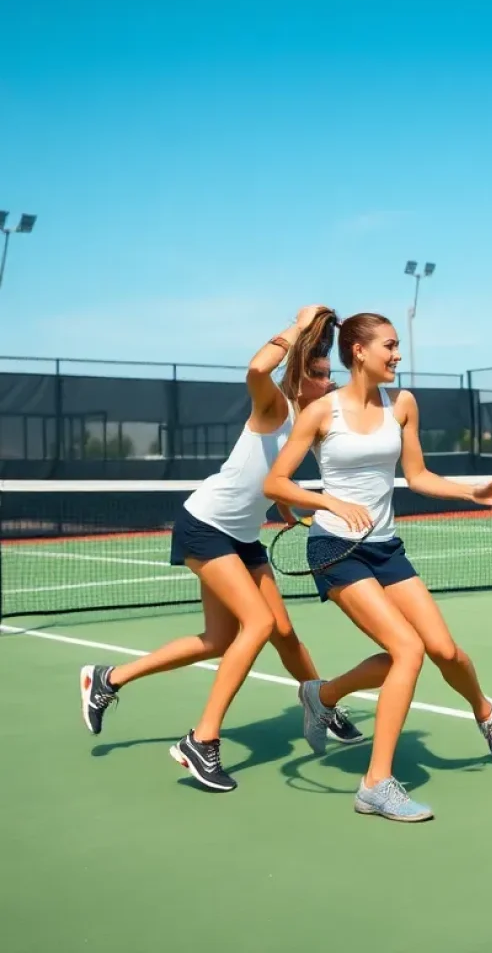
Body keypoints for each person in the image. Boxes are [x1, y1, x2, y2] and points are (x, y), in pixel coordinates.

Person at [80, 305, 364, 792]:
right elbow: (256, 368)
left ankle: (108, 679)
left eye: (327, 375)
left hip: (241, 536)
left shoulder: (306, 423)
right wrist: (297, 327)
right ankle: (202, 740)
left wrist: (284, 508)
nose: (326, 382)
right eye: (318, 374)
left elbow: (266, 479)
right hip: (204, 527)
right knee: (256, 625)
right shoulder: (274, 405)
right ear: (299, 374)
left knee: (267, 634)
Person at [263, 312, 492, 823]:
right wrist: (330, 504)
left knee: (444, 650)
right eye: (390, 345)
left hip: (385, 547)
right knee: (407, 650)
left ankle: (481, 713)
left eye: (397, 346)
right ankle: (375, 784)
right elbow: (275, 484)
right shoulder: (320, 412)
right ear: (358, 351)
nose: (398, 354)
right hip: (335, 550)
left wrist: (472, 490)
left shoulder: (401, 404)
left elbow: (418, 475)